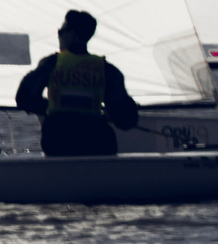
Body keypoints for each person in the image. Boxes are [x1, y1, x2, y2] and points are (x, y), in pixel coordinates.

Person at [15, 9, 139, 157]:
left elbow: (23, 98)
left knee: (54, 131)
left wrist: (52, 109)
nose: (58, 35)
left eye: (61, 31)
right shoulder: (107, 70)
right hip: (96, 142)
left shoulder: (52, 64)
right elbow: (126, 120)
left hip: (60, 142)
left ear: (72, 34)